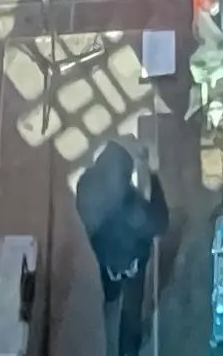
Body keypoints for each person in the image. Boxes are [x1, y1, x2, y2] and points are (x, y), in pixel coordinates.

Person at [74, 135, 169, 356]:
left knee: (109, 290)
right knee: (132, 309)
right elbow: (161, 222)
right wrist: (153, 174)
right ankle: (128, 348)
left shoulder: (85, 185)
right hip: (132, 263)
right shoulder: (134, 212)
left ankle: (110, 301)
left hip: (104, 257)